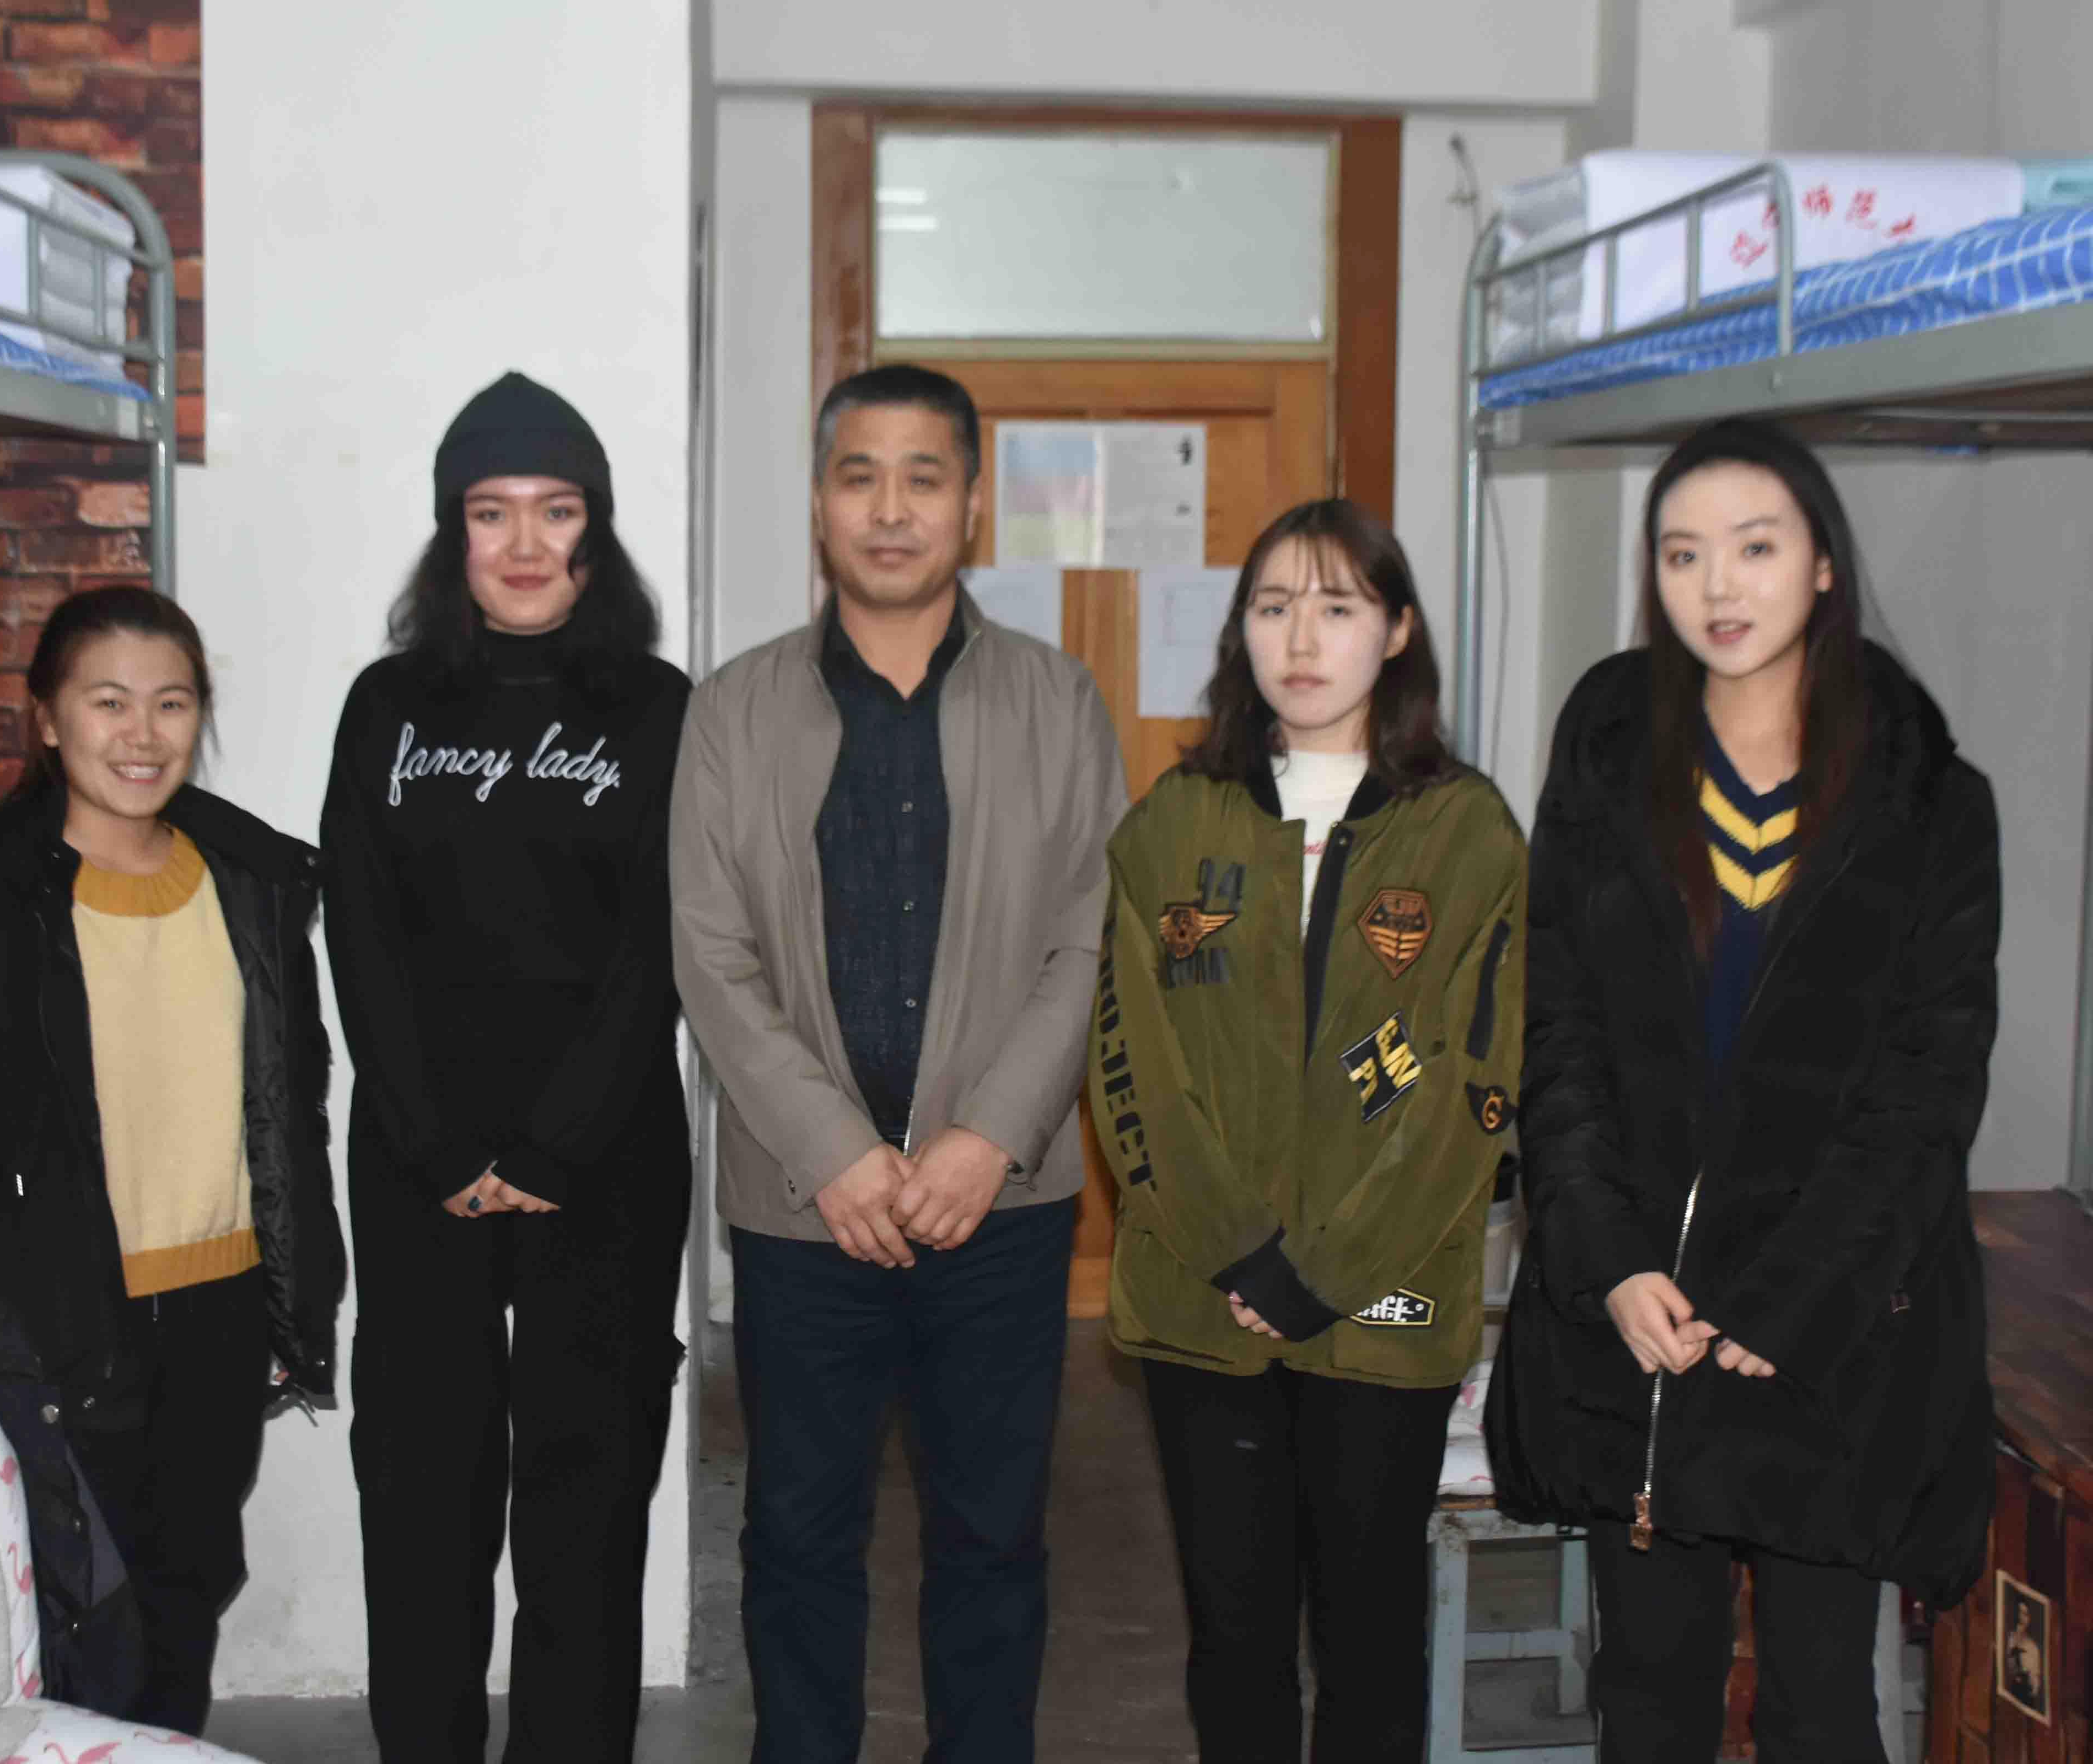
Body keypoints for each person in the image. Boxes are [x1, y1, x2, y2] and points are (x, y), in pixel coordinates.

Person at [1487, 418, 2000, 1762]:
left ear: (1822, 563)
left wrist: (1795, 1296)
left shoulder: (1932, 804)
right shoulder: (1607, 766)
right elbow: (1557, 1037)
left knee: (1818, 1705)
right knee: (1649, 1694)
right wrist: (1604, 1260)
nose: (1716, 585)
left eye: (1754, 547)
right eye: (1681, 554)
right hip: (1643, 1322)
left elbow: (1928, 1087)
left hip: (1835, 1332)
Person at [671, 362, 1126, 1764]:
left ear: (970, 504)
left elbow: (1088, 936)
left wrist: (988, 1135)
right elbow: (711, 957)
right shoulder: (732, 710)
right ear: (820, 503)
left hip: (1003, 1205)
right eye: (858, 476)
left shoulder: (1058, 701)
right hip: (805, 1208)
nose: (889, 508)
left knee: (991, 1538)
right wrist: (835, 1152)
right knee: (797, 1538)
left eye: (922, 477)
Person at [0, 586, 346, 1737]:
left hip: (218, 1307)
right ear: (47, 719)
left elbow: (288, 1106)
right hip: (59, 1309)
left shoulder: (252, 884)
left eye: (172, 703)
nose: (142, 733)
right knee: (74, 1603)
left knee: (188, 1585)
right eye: (108, 702)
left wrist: (293, 1289)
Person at [1089, 499, 1522, 1762]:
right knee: (1232, 1636)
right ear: (1241, 631)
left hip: (1382, 1308)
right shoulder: (1172, 821)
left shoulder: (1467, 830)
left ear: (1396, 631)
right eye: (1273, 605)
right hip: (1203, 1299)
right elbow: (1129, 1060)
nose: (1301, 637)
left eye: (1337, 607)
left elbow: (1475, 1084)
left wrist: (1324, 1269)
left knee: (1371, 1634)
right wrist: (1236, 1246)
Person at [321, 371, 693, 1764]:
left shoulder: (658, 708)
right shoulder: (387, 704)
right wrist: (436, 1143)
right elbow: (359, 933)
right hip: (418, 1154)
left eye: (556, 510)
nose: (525, 543)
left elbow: (663, 942)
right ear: (452, 531)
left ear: (596, 529)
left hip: (606, 1154)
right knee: (423, 1487)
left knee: (587, 1495)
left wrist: (552, 1146)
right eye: (491, 512)